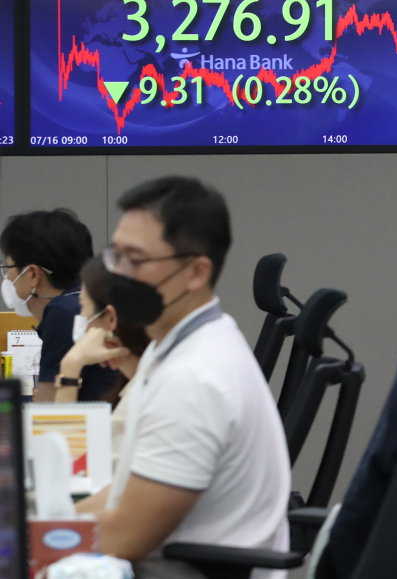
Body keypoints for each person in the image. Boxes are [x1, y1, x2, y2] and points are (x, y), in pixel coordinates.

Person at [74, 177, 290, 575]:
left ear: (195, 272)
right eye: (114, 257)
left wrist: (21, 537)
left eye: (134, 261)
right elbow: (120, 495)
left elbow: (123, 536)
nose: (116, 275)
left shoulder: (195, 378)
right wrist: (33, 519)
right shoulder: (175, 343)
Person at [0, 209, 118, 402]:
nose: (7, 277)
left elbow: (48, 412)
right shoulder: (82, 301)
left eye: (8, 267)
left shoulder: (63, 313)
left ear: (32, 275)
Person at [55, 256, 152, 470]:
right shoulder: (143, 381)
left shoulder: (139, 397)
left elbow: (66, 470)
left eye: (83, 307)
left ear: (110, 318)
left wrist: (71, 366)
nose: (79, 317)